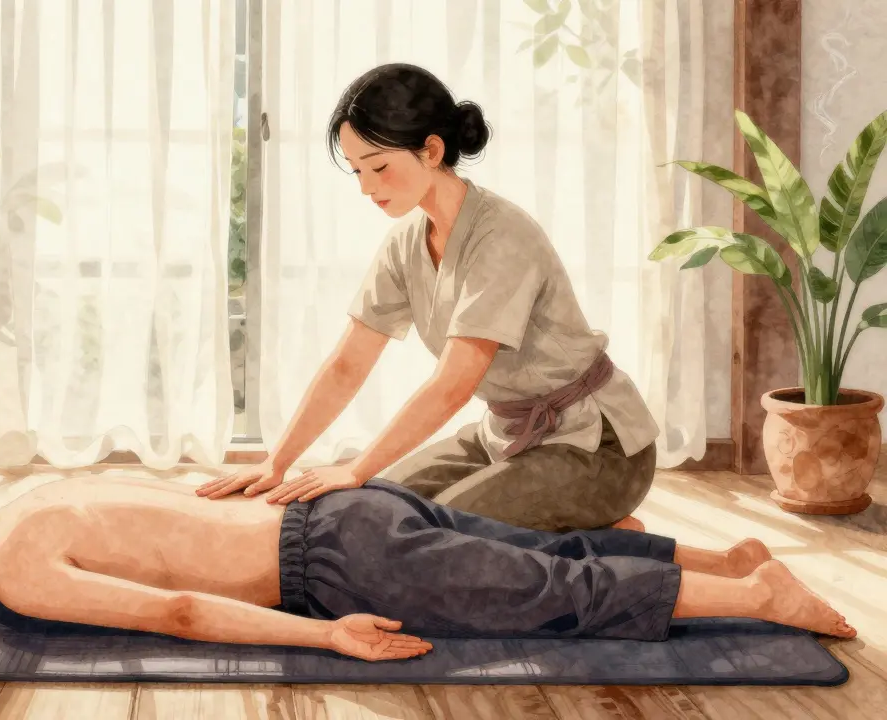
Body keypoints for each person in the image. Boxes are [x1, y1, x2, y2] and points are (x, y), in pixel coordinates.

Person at [198, 63, 660, 533]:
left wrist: (356, 468)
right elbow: (347, 364)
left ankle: (611, 545)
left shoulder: (502, 235)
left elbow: (453, 385)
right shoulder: (406, 243)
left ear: (432, 150)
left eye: (378, 166)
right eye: (357, 170)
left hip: (597, 447)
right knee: (366, 515)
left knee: (432, 535)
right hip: (504, 438)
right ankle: (599, 539)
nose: (366, 186)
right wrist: (278, 461)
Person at [0, 453, 855, 662]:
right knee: (514, 544)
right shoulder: (41, 493)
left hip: (332, 565)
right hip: (345, 513)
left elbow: (178, 616)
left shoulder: (15, 565)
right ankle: (718, 549)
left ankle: (754, 592)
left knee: (536, 593)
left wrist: (324, 634)